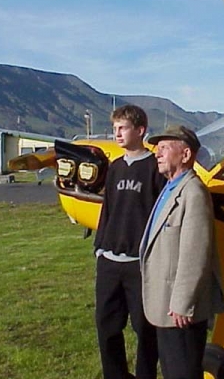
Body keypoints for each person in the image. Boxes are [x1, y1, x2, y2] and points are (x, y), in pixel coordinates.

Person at [140, 125, 224, 379]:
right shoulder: (171, 188)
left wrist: (182, 303)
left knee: (182, 372)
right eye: (157, 149)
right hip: (164, 305)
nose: (157, 154)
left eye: (164, 148)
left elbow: (196, 254)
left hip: (179, 312)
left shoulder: (193, 193)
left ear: (186, 155)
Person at [94, 104, 167, 379]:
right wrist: (100, 247)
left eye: (123, 128)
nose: (117, 134)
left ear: (140, 130)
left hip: (139, 264)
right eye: (115, 128)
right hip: (110, 262)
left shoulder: (155, 168)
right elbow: (107, 210)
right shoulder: (114, 168)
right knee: (106, 326)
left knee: (145, 328)